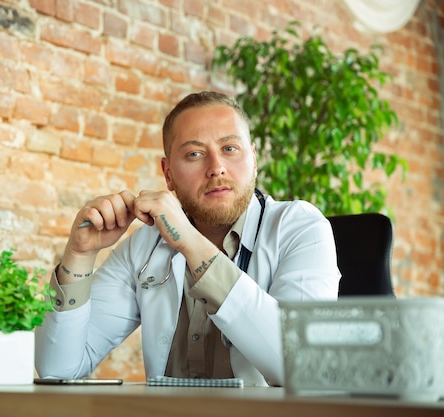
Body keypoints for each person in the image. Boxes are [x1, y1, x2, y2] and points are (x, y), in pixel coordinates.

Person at [35, 91, 340, 386]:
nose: (216, 167)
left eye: (230, 148)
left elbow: (301, 367)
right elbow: (57, 369)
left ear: (254, 158)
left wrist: (190, 244)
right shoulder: (144, 247)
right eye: (194, 154)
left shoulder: (300, 227)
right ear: (167, 174)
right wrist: (79, 254)